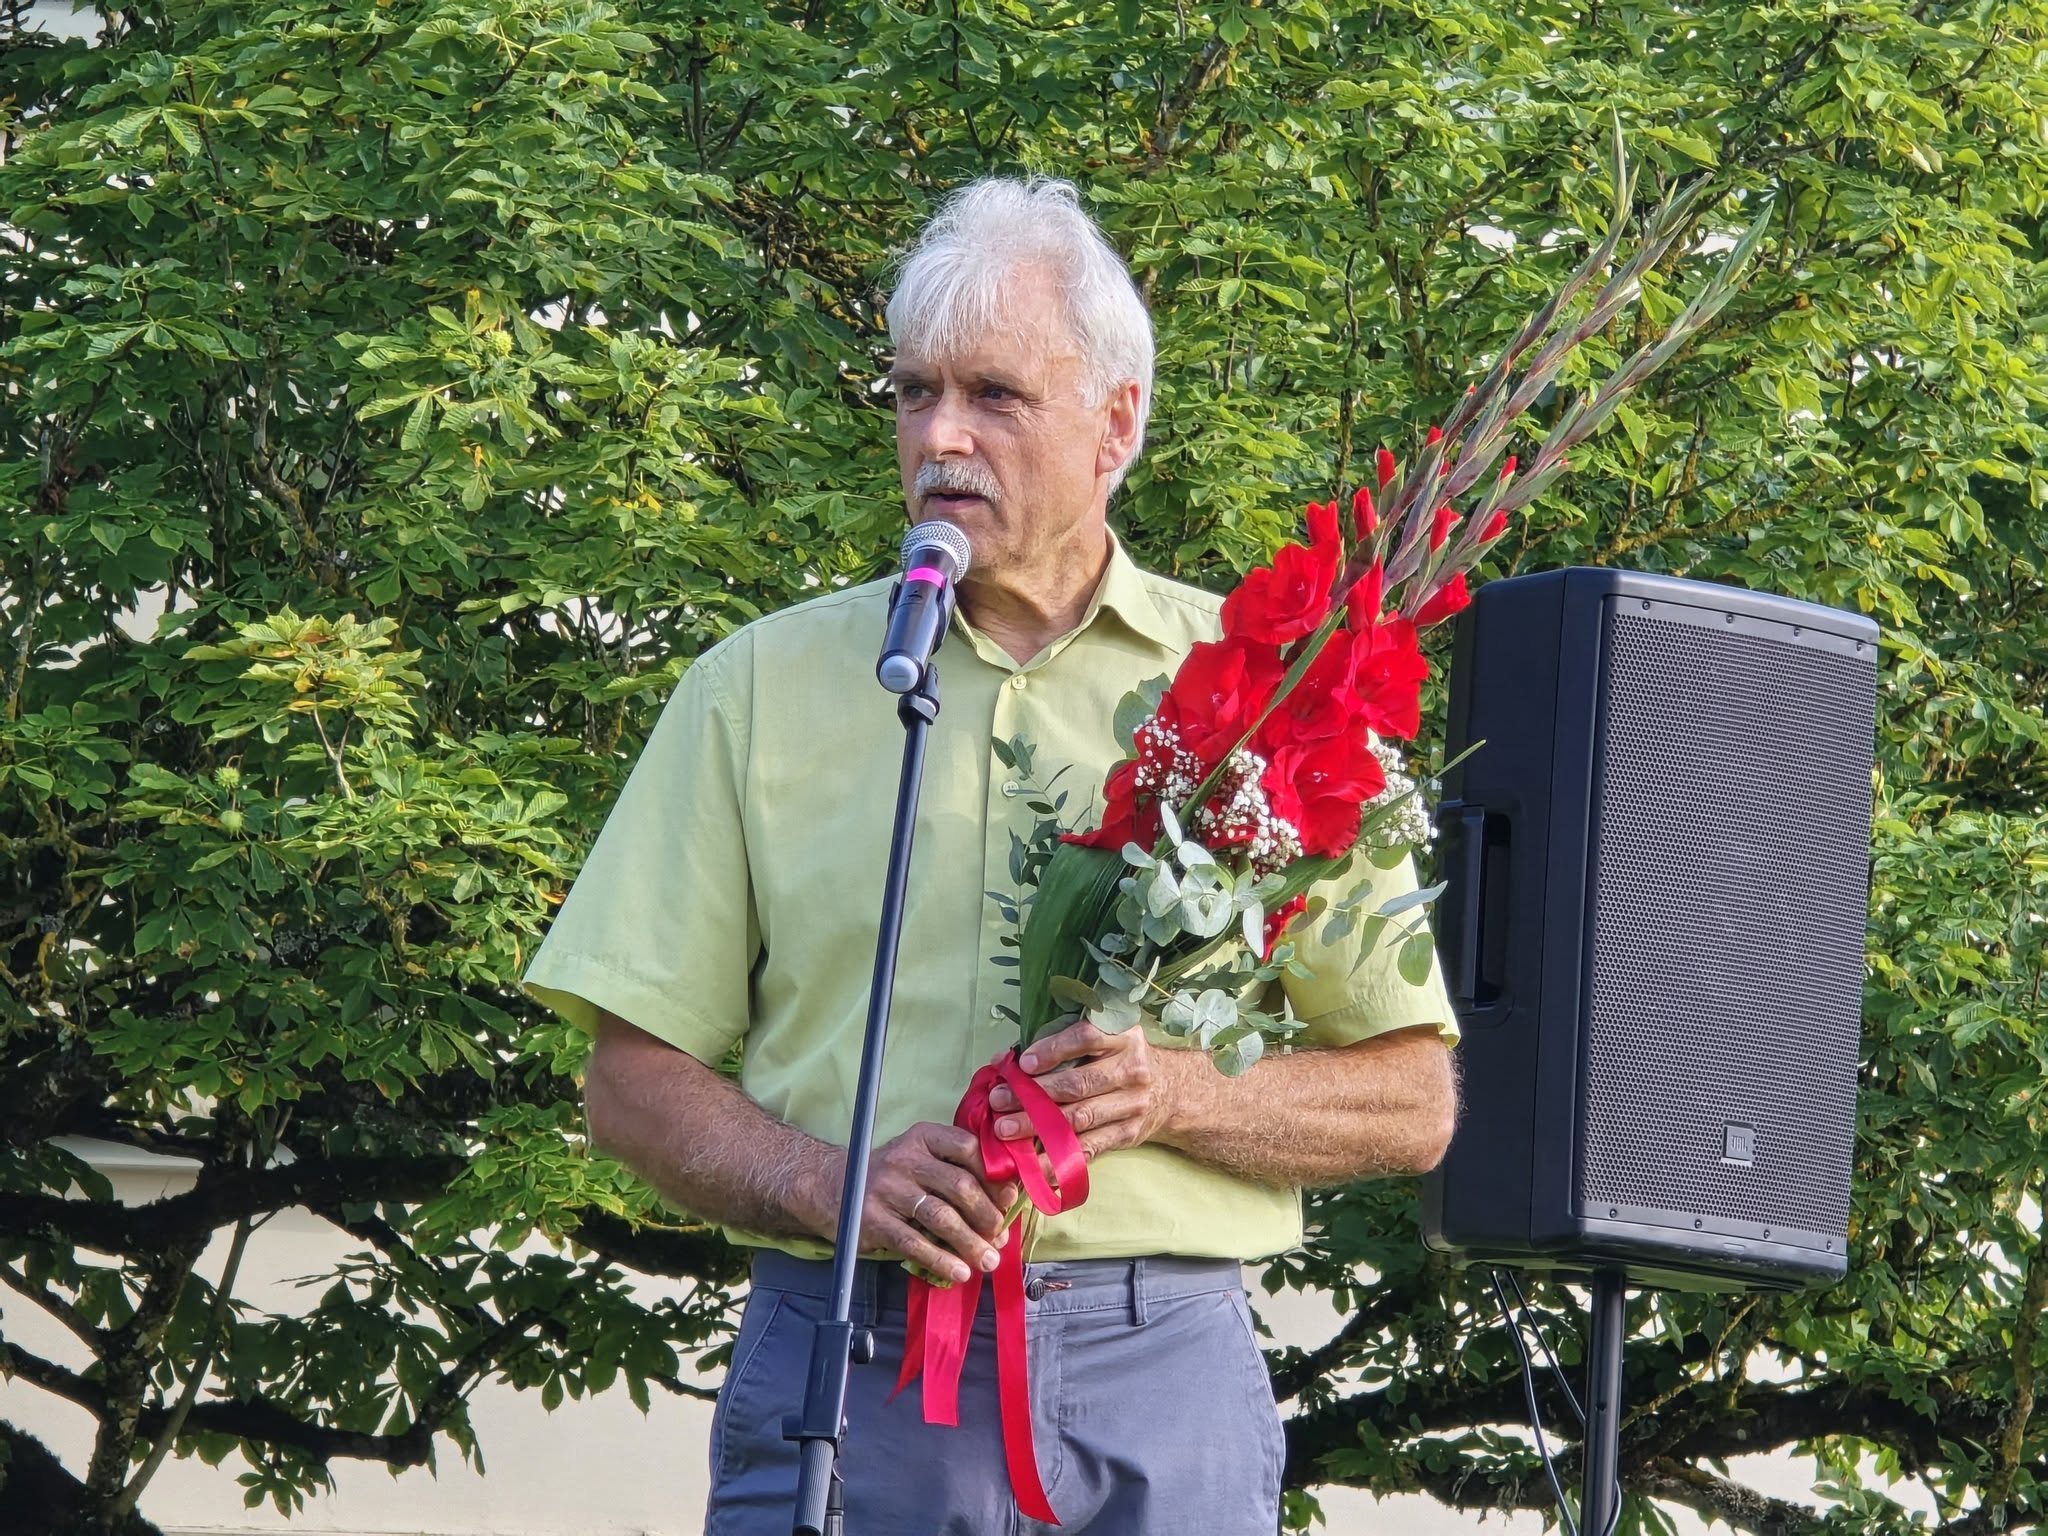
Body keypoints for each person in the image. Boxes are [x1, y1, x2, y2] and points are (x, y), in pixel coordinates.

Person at [522, 175, 1459, 1535]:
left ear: (1116, 423)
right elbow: (628, 1083)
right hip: (852, 1354)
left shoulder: (1274, 694)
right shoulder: (756, 688)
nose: (940, 436)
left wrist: (1175, 1096)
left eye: (995, 396)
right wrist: (827, 1184)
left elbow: (1411, 1100)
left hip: (1162, 1378)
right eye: (914, 393)